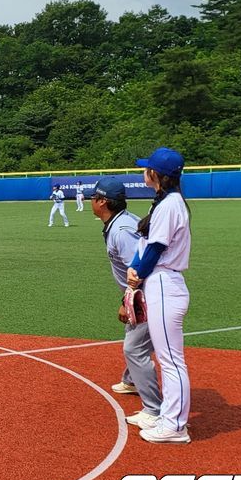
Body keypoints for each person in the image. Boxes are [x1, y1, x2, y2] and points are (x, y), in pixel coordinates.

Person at [127, 147, 193, 444]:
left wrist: (137, 274)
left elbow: (156, 248)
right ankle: (168, 418)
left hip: (165, 282)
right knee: (169, 358)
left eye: (147, 168)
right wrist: (136, 269)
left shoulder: (169, 205)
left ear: (158, 174)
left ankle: (175, 426)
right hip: (161, 282)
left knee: (171, 360)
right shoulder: (166, 201)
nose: (144, 171)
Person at [90, 176, 162, 427]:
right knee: (135, 337)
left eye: (93, 198)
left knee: (134, 348)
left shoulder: (122, 231)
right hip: (143, 292)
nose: (91, 202)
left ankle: (154, 409)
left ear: (103, 202)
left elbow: (141, 268)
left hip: (147, 292)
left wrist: (127, 299)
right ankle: (131, 380)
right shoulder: (120, 222)